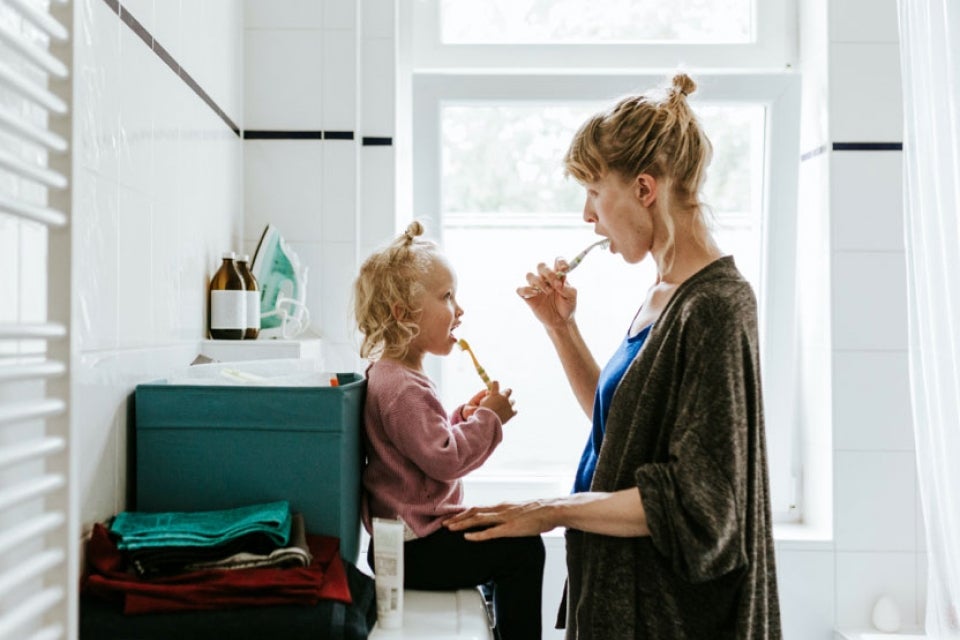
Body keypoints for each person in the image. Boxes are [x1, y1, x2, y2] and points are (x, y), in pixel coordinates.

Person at [445, 73, 782, 639]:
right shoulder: (664, 293)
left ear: (645, 188)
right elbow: (622, 431)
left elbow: (704, 504)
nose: (588, 216)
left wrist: (551, 509)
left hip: (673, 620)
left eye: (595, 192)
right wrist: (561, 328)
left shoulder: (717, 307)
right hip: (620, 600)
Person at [353, 220, 545, 640]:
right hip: (416, 550)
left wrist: (462, 417)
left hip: (405, 545)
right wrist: (489, 420)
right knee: (523, 548)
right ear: (403, 314)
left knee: (504, 532)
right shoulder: (403, 387)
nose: (459, 309)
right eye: (446, 297)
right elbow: (444, 460)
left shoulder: (393, 375)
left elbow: (419, 446)